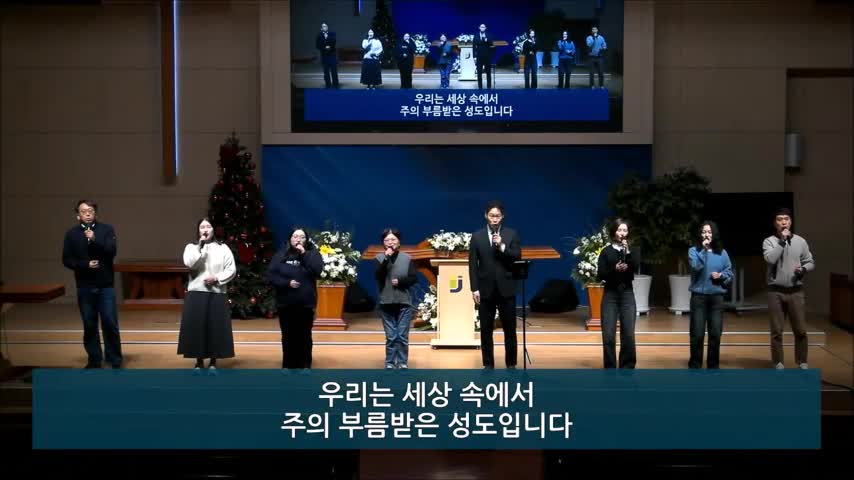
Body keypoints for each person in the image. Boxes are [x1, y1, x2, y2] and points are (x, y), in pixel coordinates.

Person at [62, 200, 122, 369]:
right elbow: (66, 259)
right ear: (78, 216)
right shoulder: (71, 234)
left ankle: (114, 358)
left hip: (105, 285)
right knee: (89, 324)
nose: (87, 213)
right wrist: (85, 264)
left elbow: (111, 251)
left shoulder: (106, 230)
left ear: (95, 213)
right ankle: (94, 359)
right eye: (83, 211)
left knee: (109, 322)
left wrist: (94, 239)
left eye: (90, 210)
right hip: (84, 286)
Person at [178, 218, 237, 372]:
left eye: (208, 226)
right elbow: (191, 264)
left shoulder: (223, 248)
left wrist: (216, 278)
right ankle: (198, 361)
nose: (205, 229)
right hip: (196, 293)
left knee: (215, 327)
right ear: (198, 231)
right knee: (197, 327)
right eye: (202, 227)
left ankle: (213, 361)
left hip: (216, 293)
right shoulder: (191, 247)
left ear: (213, 230)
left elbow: (231, 269)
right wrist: (200, 248)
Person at [469, 201, 521, 370]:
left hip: (507, 288)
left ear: (502, 216)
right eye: (492, 216)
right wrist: (474, 288)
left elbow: (517, 257)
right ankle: (488, 364)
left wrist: (503, 246)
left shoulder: (511, 234)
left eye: (497, 216)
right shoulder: (477, 236)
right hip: (485, 289)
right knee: (486, 330)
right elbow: (472, 265)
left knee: (510, 330)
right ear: (486, 216)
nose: (495, 219)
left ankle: (511, 364)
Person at [762, 208, 815, 370]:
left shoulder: (800, 241)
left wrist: (803, 269)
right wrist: (782, 241)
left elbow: (810, 262)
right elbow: (770, 259)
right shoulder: (769, 241)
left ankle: (802, 361)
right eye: (779, 219)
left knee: (800, 330)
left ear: (790, 221)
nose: (783, 222)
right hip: (775, 291)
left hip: (796, 291)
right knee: (777, 331)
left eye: (786, 219)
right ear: (775, 223)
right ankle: (778, 362)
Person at [266, 227, 324, 370]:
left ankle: (305, 365)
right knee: (288, 335)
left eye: (302, 237)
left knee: (304, 335)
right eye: (295, 236)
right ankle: (288, 365)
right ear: (290, 239)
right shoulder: (281, 255)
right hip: (286, 303)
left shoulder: (313, 254)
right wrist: (287, 283)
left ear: (306, 240)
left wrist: (304, 254)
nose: (298, 239)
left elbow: (317, 270)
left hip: (305, 303)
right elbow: (271, 275)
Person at [688, 221, 733, 369]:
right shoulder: (694, 251)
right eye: (704, 232)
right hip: (698, 298)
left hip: (716, 298)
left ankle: (713, 366)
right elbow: (695, 267)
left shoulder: (722, 253)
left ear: (714, 234)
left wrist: (721, 275)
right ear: (700, 234)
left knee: (715, 333)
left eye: (709, 232)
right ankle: (695, 366)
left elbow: (729, 274)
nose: (706, 235)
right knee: (697, 333)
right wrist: (703, 251)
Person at [596, 218, 640, 369]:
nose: (622, 233)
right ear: (614, 232)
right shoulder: (606, 251)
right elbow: (600, 274)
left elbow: (635, 267)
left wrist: (628, 252)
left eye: (625, 230)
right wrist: (614, 269)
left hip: (627, 293)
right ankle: (610, 367)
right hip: (610, 294)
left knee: (628, 334)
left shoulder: (633, 250)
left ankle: (627, 367)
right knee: (608, 335)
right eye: (619, 230)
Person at [374, 228, 418, 369]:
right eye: (387, 240)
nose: (390, 242)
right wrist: (386, 258)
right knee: (391, 336)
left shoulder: (407, 258)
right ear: (383, 243)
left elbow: (413, 279)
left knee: (402, 336)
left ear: (399, 242)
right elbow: (379, 276)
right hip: (386, 302)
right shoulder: (379, 258)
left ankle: (403, 362)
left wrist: (400, 281)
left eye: (393, 239)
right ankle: (390, 362)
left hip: (404, 302)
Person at [316, 22, 339, 88]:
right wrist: (324, 47)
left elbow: (333, 42)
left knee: (334, 71)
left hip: (332, 55)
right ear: (321, 28)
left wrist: (328, 44)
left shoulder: (332, 34)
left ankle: (335, 85)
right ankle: (328, 85)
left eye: (326, 26)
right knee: (326, 72)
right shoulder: (319, 35)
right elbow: (318, 45)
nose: (325, 27)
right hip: (324, 56)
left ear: (327, 27)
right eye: (323, 26)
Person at [473, 24, 495, 89]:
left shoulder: (488, 35)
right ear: (479, 28)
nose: (482, 28)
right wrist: (474, 57)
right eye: (481, 27)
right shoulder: (476, 36)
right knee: (479, 73)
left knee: (488, 72)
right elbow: (474, 47)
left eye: (483, 27)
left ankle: (489, 87)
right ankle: (480, 87)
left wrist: (486, 40)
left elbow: (491, 43)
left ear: (485, 28)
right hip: (479, 57)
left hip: (487, 56)